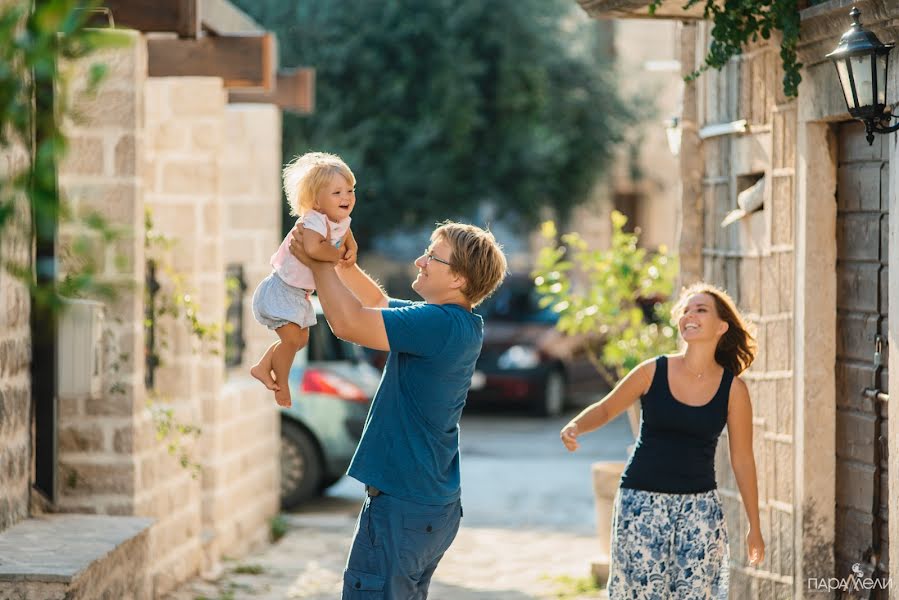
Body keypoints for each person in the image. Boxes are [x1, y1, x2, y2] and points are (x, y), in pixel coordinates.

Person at [288, 220, 507, 599]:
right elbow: (378, 305)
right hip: (428, 507)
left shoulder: (437, 323)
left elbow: (348, 323)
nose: (420, 260)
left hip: (404, 507)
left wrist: (320, 261)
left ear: (458, 279)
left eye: (433, 257)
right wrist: (344, 264)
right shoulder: (457, 323)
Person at [560, 282, 764, 599]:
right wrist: (576, 425)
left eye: (701, 309)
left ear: (722, 326)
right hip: (641, 504)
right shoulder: (653, 371)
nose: (689, 315)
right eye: (685, 309)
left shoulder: (734, 390)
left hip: (700, 512)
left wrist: (755, 525)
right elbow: (605, 409)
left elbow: (742, 459)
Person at [249, 152, 358, 407]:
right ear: (316, 202)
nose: (346, 197)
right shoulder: (314, 220)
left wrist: (352, 246)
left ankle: (264, 366)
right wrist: (337, 254)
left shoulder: (338, 219)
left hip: (298, 293)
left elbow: (346, 232)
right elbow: (313, 249)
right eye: (337, 193)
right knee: (291, 341)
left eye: (350, 190)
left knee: (300, 341)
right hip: (282, 289)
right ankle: (282, 385)